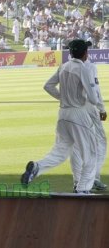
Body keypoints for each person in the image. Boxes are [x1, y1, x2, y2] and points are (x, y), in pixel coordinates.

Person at [21, 40, 99, 193]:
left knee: (60, 152)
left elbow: (48, 86)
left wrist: (62, 97)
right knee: (91, 154)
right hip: (78, 114)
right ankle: (82, 189)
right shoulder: (84, 69)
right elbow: (94, 99)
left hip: (63, 114)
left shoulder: (63, 66)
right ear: (85, 54)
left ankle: (38, 167)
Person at [70, 59, 107, 191]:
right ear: (85, 52)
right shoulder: (89, 66)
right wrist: (102, 109)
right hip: (88, 109)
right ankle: (93, 178)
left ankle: (77, 182)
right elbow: (95, 90)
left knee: (76, 145)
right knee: (100, 143)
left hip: (71, 109)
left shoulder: (66, 66)